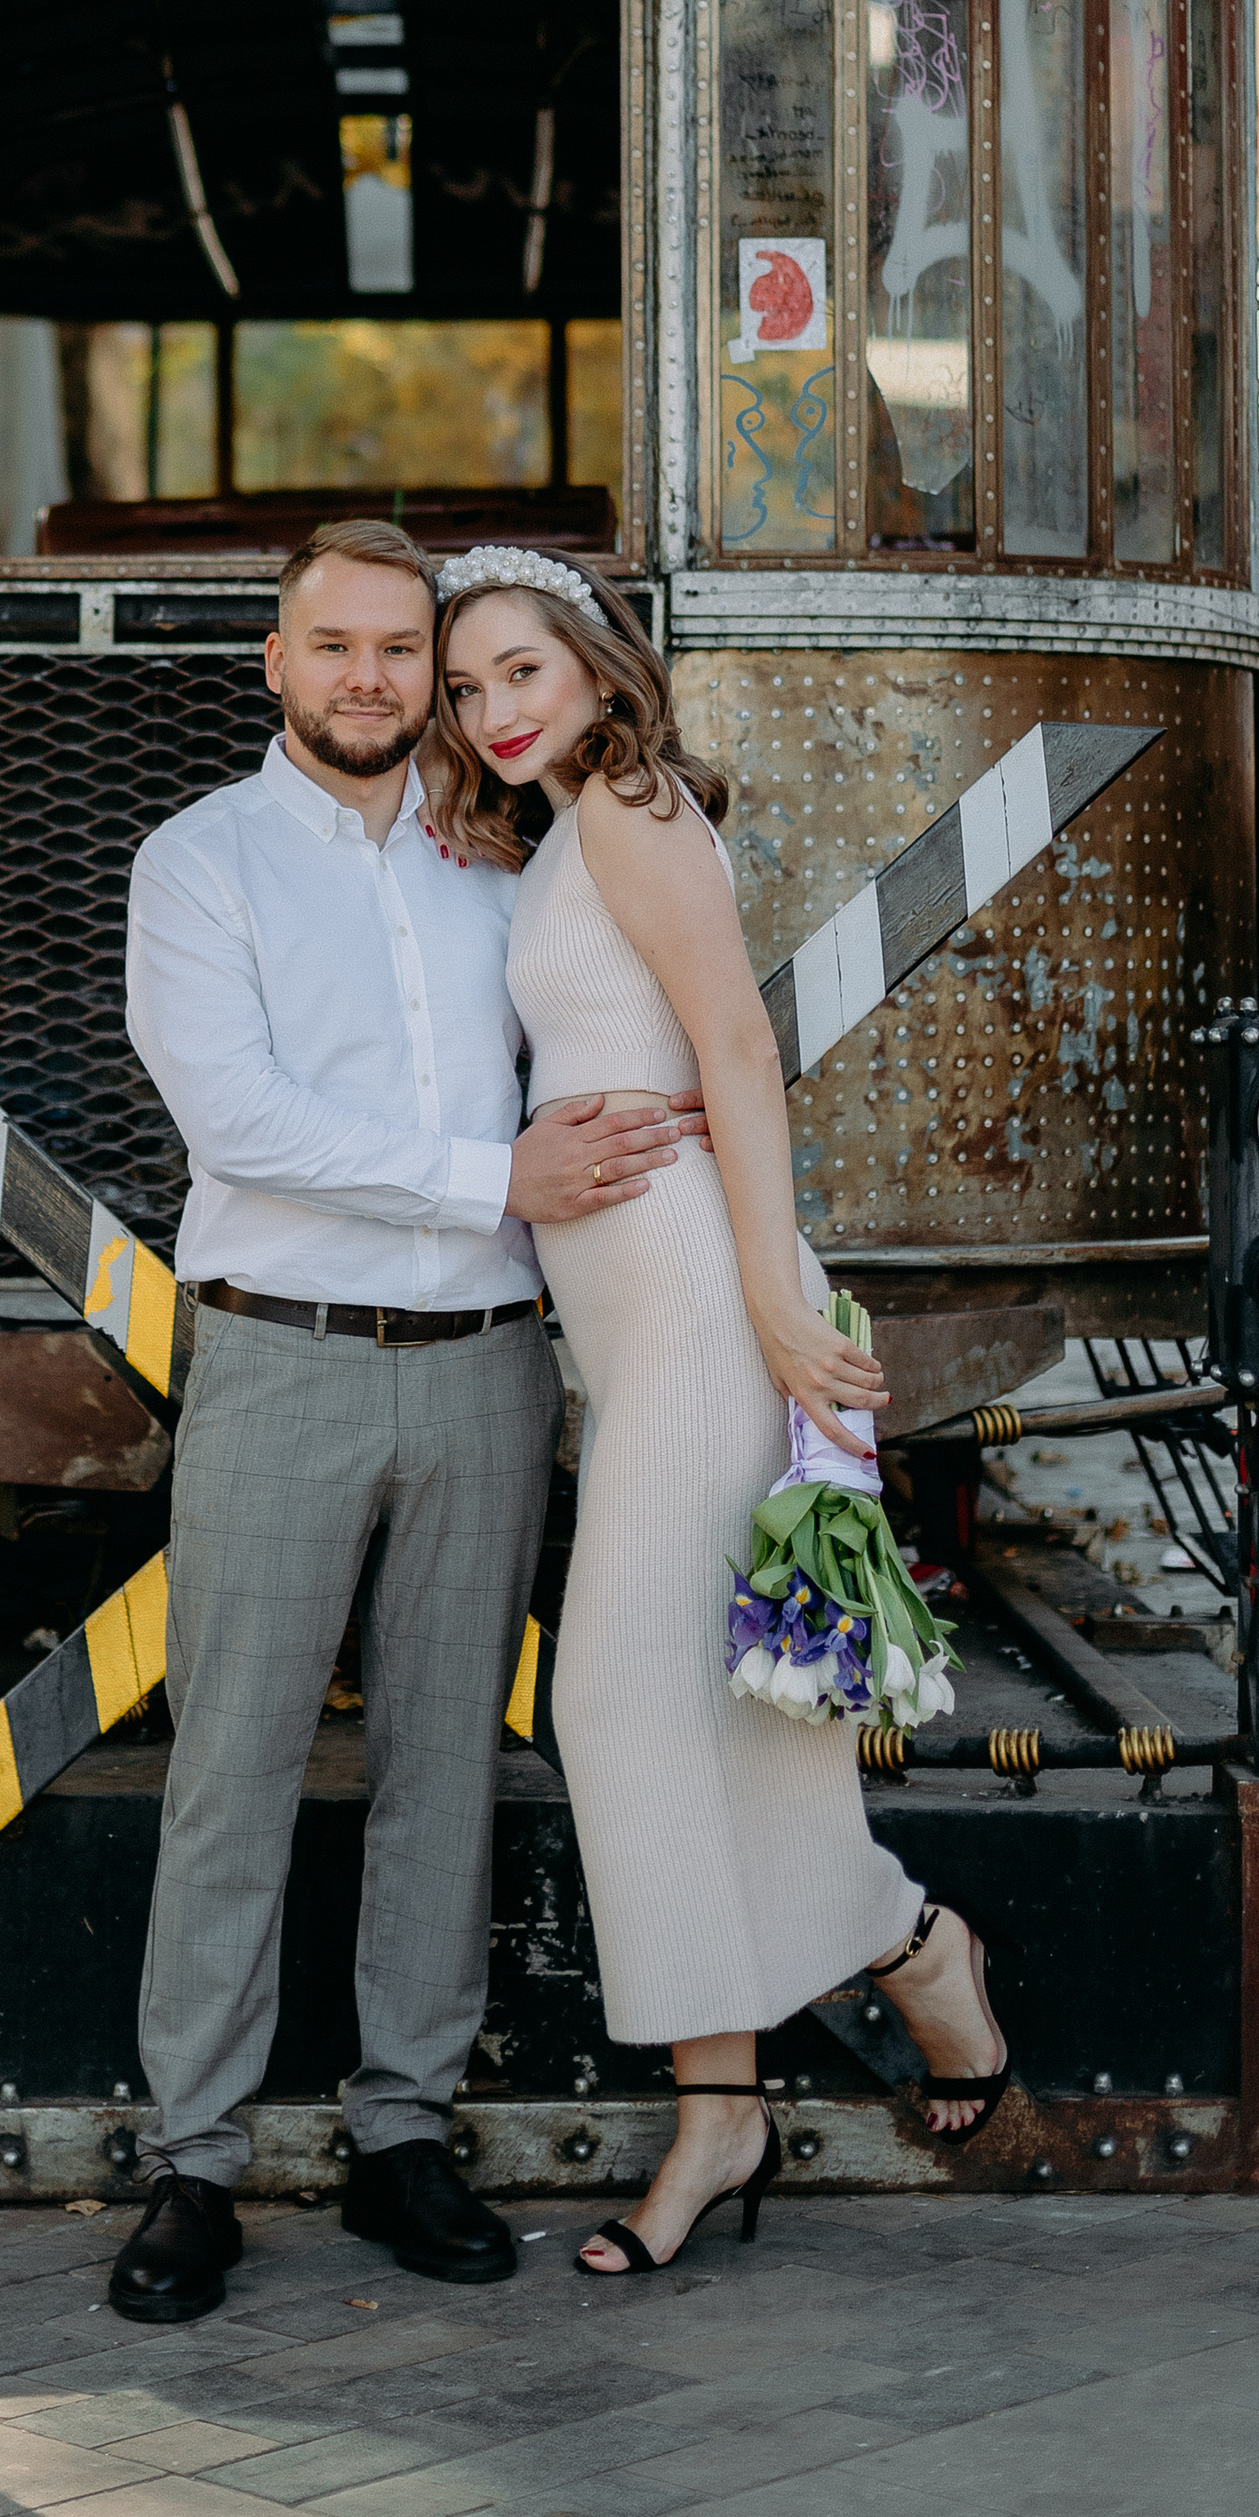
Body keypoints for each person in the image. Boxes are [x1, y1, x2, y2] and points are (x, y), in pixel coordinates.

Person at [110, 514, 693, 2327]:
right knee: (234, 1766)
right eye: (335, 645)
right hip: (281, 1358)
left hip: (488, 1365)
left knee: (448, 1765)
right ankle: (195, 2163)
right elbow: (240, 1120)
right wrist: (496, 1177)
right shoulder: (198, 862)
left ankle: (404, 2135)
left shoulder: (500, 856)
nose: (369, 679)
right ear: (276, 665)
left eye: (398, 652)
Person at [429, 546, 1014, 2276]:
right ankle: (756, 2081)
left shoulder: (632, 805)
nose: (493, 709)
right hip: (632, 1319)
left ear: (597, 668)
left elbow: (737, 1052)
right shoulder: (562, 829)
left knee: (615, 1697)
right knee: (707, 1696)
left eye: (521, 672)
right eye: (467, 689)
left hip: (697, 1296)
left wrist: (768, 1293)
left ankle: (889, 1958)